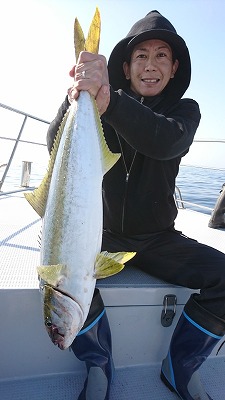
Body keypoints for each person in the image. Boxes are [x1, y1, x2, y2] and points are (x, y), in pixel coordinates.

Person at [46, 10, 225, 400]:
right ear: (124, 67)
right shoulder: (99, 105)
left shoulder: (184, 110)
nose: (151, 66)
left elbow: (167, 142)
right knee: (60, 277)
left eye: (162, 56)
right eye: (141, 56)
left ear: (174, 67)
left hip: (158, 239)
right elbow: (53, 146)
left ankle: (180, 367)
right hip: (103, 236)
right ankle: (98, 364)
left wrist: (109, 101)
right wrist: (74, 97)